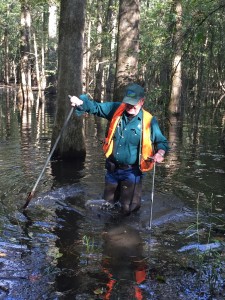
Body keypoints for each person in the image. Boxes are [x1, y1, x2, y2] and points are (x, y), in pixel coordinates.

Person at [70, 83, 169, 216]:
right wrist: (81, 103)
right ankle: (107, 230)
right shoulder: (117, 109)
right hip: (112, 168)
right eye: (127, 102)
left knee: (128, 209)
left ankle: (126, 231)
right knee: (107, 205)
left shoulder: (149, 121)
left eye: (133, 103)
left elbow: (162, 142)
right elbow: (96, 107)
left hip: (132, 171)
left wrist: (160, 153)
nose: (129, 107)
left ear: (142, 101)